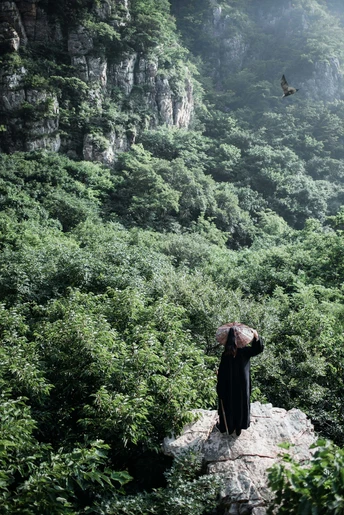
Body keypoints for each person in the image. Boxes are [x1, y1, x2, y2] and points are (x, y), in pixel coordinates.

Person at [216, 326, 264, 436]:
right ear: (240, 339)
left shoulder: (226, 354)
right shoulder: (245, 352)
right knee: (241, 403)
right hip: (242, 385)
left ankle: (228, 426)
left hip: (229, 386)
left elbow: (222, 373)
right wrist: (256, 337)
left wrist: (220, 382)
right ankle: (239, 428)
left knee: (229, 403)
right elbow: (258, 349)